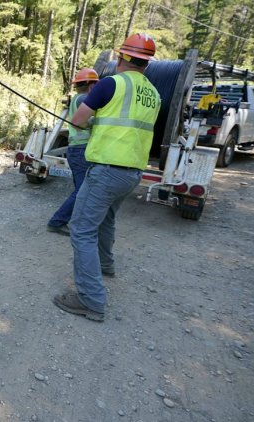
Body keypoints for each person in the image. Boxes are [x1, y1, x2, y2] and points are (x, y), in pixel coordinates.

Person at [53, 33, 161, 322]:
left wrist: (94, 122)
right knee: (107, 219)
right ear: (147, 64)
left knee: (81, 228)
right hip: (132, 173)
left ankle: (90, 300)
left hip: (107, 170)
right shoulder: (153, 93)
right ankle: (105, 265)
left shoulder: (111, 84)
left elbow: (77, 120)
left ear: (123, 58)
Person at [46, 68, 99, 236]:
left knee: (82, 189)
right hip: (81, 149)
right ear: (91, 85)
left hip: (76, 149)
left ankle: (73, 220)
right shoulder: (85, 99)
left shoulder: (78, 98)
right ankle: (57, 221)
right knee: (82, 190)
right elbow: (90, 121)